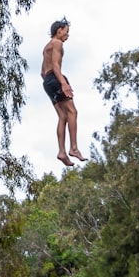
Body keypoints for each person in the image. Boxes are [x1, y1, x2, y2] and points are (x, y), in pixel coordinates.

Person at [41, 18, 86, 166]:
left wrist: (53, 83)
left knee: (62, 116)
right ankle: (73, 148)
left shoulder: (46, 46)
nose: (67, 35)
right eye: (66, 32)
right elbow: (55, 65)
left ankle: (62, 151)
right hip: (55, 78)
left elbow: (42, 72)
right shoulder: (57, 43)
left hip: (47, 82)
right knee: (72, 112)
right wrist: (63, 83)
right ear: (59, 30)